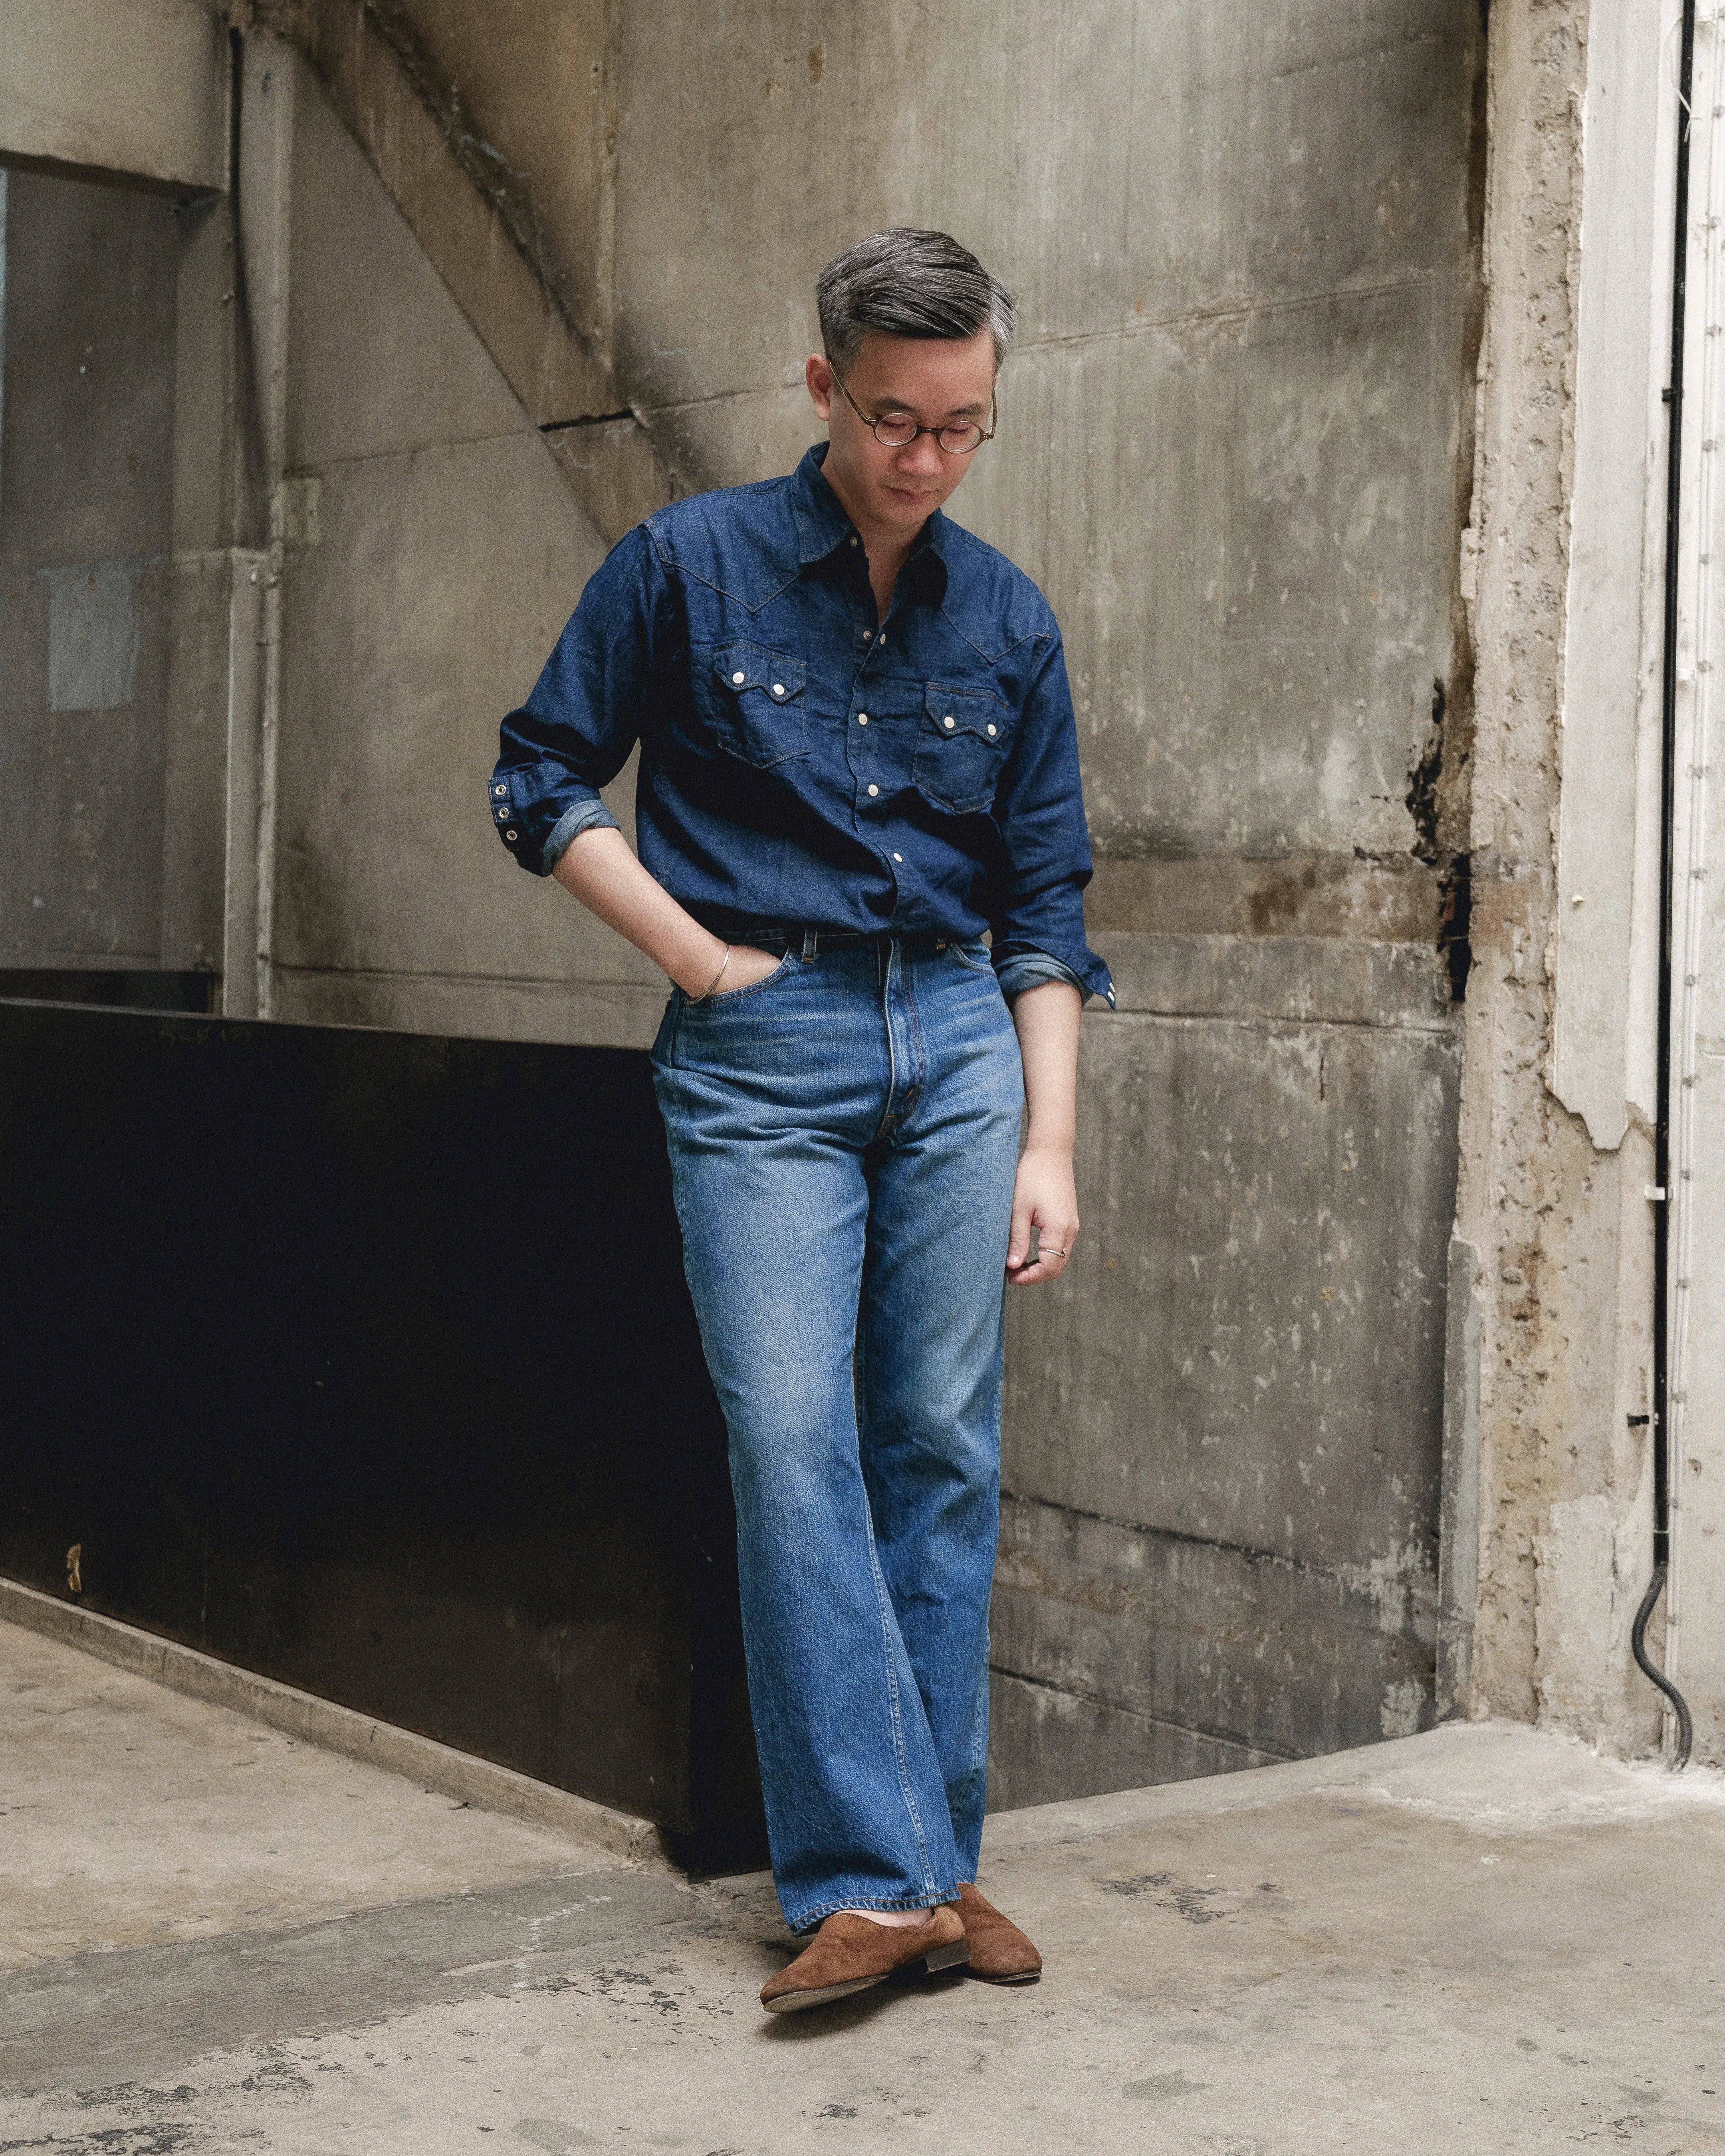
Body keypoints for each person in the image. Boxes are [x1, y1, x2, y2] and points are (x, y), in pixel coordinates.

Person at [490, 227, 1112, 2014]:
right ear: (825, 385)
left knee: (939, 1444)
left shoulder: (1008, 615)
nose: (929, 461)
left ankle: (924, 1869)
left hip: (966, 1048)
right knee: (793, 1441)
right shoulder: (685, 567)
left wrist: (1050, 1141)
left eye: (968, 427)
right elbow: (537, 774)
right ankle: (879, 1876)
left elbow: (1051, 905)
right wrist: (697, 957)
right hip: (768, 1049)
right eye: (899, 419)